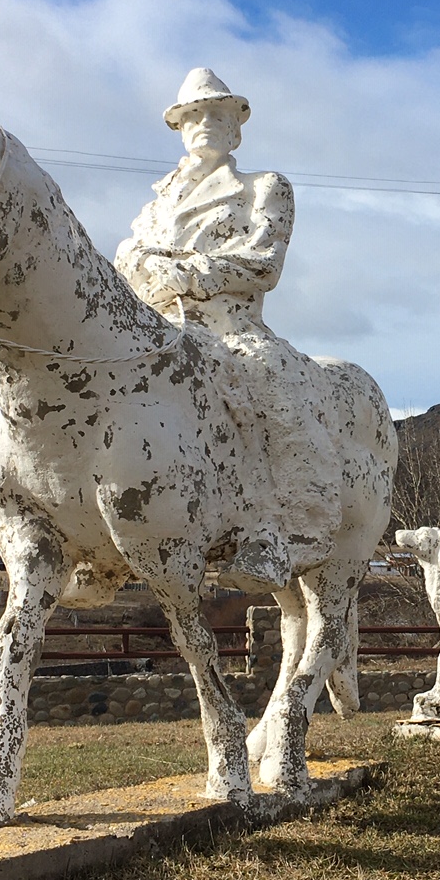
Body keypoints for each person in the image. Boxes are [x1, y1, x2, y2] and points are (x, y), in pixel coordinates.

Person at [114, 69, 337, 590]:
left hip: (231, 328)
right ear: (180, 128)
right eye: (194, 116)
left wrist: (188, 271)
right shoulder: (154, 205)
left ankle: (286, 532)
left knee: (275, 383)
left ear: (236, 130)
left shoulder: (264, 188)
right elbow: (127, 263)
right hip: (156, 327)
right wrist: (141, 263)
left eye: (218, 114)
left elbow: (264, 262)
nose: (205, 124)